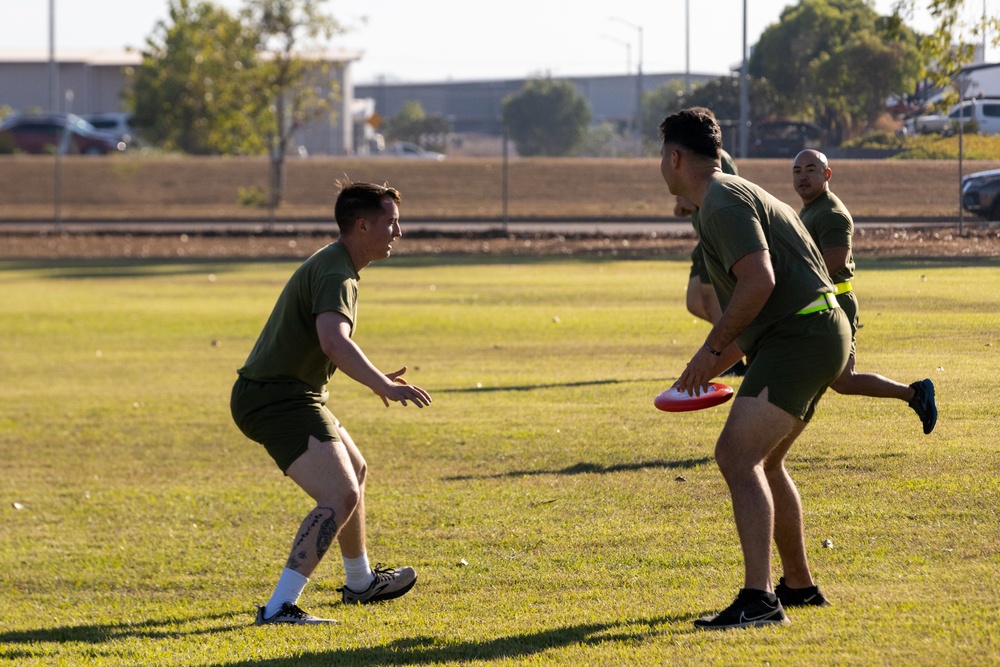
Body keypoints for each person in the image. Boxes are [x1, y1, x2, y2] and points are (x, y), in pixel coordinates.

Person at [658, 107, 852, 630]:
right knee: (765, 463)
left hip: (801, 336)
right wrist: (706, 364)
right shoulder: (722, 198)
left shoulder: (720, 202)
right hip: (812, 332)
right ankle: (798, 586)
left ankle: (758, 599)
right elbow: (752, 314)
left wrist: (709, 348)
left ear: (675, 157)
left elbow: (759, 281)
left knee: (736, 455)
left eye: (661, 154)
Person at [231, 180, 432, 625]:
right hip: (275, 397)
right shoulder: (336, 272)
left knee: (355, 473)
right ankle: (279, 606)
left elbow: (330, 344)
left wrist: (378, 379)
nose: (398, 232)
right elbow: (332, 342)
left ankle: (359, 583)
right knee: (338, 493)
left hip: (290, 394)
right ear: (363, 225)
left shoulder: (338, 265)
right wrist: (384, 384)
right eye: (391, 222)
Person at [792, 149, 937, 434]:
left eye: (811, 169)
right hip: (818, 302)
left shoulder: (831, 213)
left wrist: (793, 282)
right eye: (797, 171)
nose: (803, 176)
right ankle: (914, 394)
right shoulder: (811, 208)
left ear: (827, 174)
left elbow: (835, 260)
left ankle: (915, 394)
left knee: (827, 378)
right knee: (841, 381)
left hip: (833, 304)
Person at [677, 149, 746, 376]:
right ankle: (741, 336)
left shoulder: (718, 158)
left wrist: (690, 201)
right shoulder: (691, 158)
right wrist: (684, 205)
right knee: (695, 302)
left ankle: (732, 359)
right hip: (703, 240)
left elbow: (723, 194)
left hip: (716, 237)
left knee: (713, 298)